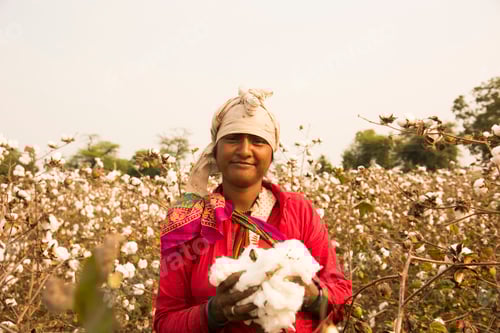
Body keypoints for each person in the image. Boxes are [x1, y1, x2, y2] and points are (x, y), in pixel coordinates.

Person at [153, 87, 352, 333]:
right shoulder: (186, 221)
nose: (245, 150)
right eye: (233, 139)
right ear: (216, 149)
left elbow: (342, 301)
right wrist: (213, 312)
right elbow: (164, 323)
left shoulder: (299, 211)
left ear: (272, 153)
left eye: (258, 141)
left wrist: (313, 296)